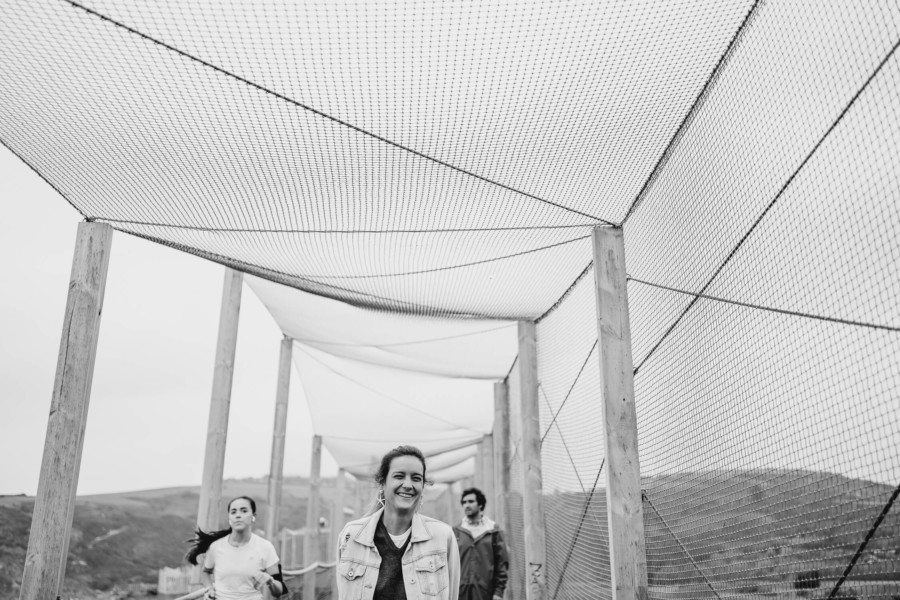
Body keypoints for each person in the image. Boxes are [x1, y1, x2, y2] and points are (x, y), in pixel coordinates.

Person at [336, 445, 460, 600]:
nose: (408, 485)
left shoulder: (443, 536)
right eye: (399, 476)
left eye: (416, 478)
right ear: (383, 483)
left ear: (423, 486)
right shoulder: (351, 536)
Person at [185, 496, 286, 600]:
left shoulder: (266, 547)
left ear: (253, 516)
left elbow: (279, 591)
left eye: (244, 511)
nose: (238, 515)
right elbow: (205, 572)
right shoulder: (216, 546)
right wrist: (209, 589)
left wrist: (270, 581)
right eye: (233, 512)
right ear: (229, 519)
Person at [452, 488, 508, 600]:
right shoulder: (456, 531)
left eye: (471, 501)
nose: (466, 505)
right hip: (460, 593)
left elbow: (501, 564)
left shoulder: (493, 531)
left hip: (485, 593)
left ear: (480, 505)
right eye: (464, 502)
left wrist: (498, 592)